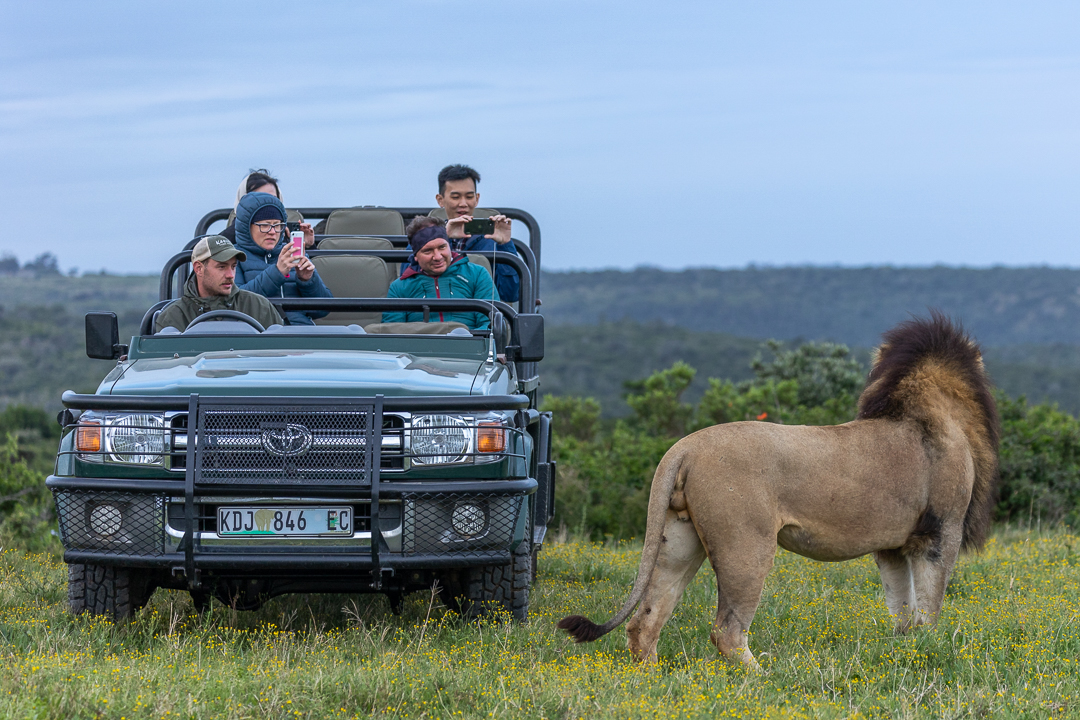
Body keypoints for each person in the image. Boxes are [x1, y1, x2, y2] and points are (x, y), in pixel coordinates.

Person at [232, 192, 333, 326]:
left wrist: (307, 280)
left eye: (277, 225)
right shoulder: (234, 256)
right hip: (257, 333)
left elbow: (322, 310)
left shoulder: (293, 251)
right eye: (265, 225)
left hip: (301, 333)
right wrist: (277, 272)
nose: (272, 232)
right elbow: (236, 304)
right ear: (246, 227)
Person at [428, 164, 520, 303]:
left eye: (469, 196)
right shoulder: (425, 237)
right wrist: (443, 236)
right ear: (440, 200)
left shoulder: (491, 240)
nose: (463, 203)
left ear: (477, 199)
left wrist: (505, 245)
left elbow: (510, 294)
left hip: (479, 317)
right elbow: (408, 282)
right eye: (456, 197)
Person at [382, 217, 494, 330]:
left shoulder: (477, 274)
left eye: (442, 247)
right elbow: (393, 334)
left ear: (449, 247)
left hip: (470, 345)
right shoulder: (398, 288)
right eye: (428, 251)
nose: (437, 257)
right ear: (415, 256)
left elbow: (490, 325)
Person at [155, 236, 282, 332]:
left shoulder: (260, 307)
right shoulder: (173, 316)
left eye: (233, 266)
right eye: (221, 267)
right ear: (198, 268)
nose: (230, 275)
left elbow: (280, 356)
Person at [220, 169, 314, 249]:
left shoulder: (283, 234)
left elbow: (301, 268)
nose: (267, 204)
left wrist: (306, 245)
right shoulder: (224, 242)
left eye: (273, 199)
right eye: (259, 198)